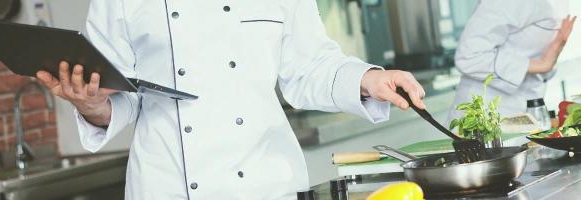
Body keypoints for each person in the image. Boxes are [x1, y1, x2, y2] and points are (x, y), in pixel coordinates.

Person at [34, 1, 426, 199]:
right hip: (170, 186)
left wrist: (368, 78)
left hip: (264, 184)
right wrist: (91, 105)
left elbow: (309, 66)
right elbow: (116, 89)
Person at [446, 0, 576, 127]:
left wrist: (551, 58)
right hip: (487, 115)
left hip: (528, 112)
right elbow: (469, 56)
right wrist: (542, 64)